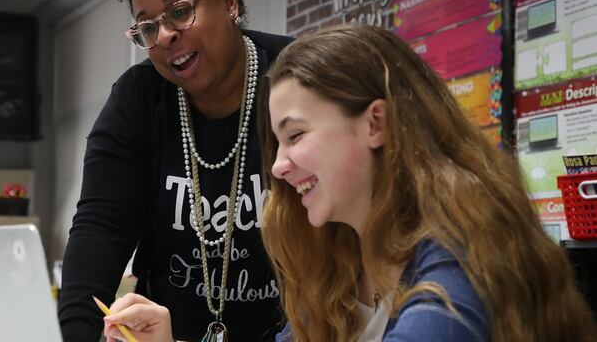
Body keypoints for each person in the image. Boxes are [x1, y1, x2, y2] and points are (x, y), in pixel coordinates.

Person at [99, 24, 597, 342]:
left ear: (375, 123)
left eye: (295, 135)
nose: (278, 166)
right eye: (278, 142)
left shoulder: (460, 257)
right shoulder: (344, 259)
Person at [58, 0, 293, 342]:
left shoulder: (296, 74)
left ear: (228, 2)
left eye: (180, 11)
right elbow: (100, 229)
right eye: (147, 27)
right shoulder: (138, 99)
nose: (165, 36)